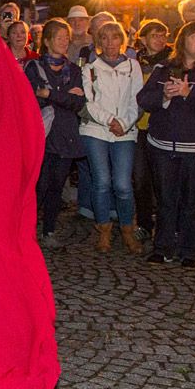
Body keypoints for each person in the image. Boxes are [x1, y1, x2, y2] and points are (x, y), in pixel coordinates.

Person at [137, 21, 195, 267]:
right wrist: (164, 96)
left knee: (192, 200)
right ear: (182, 41)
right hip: (163, 146)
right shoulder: (165, 66)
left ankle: (189, 250)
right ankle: (163, 247)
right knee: (166, 199)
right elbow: (144, 99)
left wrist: (190, 93)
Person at [79, 21, 144, 254]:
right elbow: (89, 103)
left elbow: (137, 99)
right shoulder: (90, 68)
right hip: (97, 129)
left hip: (125, 130)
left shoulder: (132, 66)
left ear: (122, 40)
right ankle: (104, 229)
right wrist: (110, 121)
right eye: (104, 38)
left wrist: (124, 123)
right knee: (102, 182)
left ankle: (127, 229)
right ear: (98, 42)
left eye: (114, 38)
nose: (110, 43)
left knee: (123, 184)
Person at [26, 19, 86, 248]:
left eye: (66, 38)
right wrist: (63, 95)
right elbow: (32, 98)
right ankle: (29, 230)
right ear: (48, 41)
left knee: (56, 185)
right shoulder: (35, 67)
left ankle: (49, 229)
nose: (64, 42)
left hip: (66, 135)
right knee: (39, 185)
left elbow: (77, 102)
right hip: (43, 135)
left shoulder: (74, 69)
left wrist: (49, 93)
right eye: (59, 37)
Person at [132, 20, 172, 240]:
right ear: (143, 39)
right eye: (154, 35)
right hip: (139, 127)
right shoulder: (134, 62)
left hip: (161, 126)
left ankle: (166, 225)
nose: (159, 39)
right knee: (140, 178)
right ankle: (145, 222)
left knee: (163, 179)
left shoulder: (171, 62)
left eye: (163, 34)